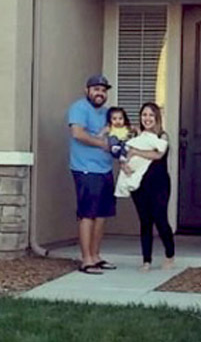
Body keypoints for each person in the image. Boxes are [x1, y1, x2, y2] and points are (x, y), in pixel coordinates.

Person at [67, 74, 119, 275]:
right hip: (85, 169)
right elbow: (77, 133)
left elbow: (116, 134)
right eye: (96, 89)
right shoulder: (79, 108)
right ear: (87, 90)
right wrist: (103, 144)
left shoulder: (106, 113)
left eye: (104, 90)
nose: (100, 93)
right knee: (87, 214)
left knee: (101, 215)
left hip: (105, 169)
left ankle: (96, 256)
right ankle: (86, 259)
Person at [125, 102, 176, 272]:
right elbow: (124, 155)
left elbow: (158, 154)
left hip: (159, 184)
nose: (147, 118)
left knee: (160, 219)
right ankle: (146, 260)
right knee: (145, 222)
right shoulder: (135, 137)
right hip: (140, 184)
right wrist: (125, 165)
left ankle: (170, 255)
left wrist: (136, 152)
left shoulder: (162, 136)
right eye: (144, 115)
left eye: (150, 115)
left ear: (157, 118)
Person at [102, 107, 135, 175]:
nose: (118, 121)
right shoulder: (110, 128)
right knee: (113, 138)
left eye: (120, 119)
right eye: (114, 119)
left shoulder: (126, 127)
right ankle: (115, 147)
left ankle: (124, 160)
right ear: (110, 120)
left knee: (126, 142)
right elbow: (100, 134)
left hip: (122, 147)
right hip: (114, 148)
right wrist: (102, 133)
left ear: (124, 119)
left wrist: (135, 131)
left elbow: (135, 129)